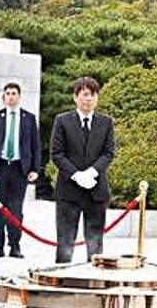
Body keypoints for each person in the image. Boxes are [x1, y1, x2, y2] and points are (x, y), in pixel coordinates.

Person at [50, 76, 117, 263]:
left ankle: (94, 278)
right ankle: (62, 278)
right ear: (75, 97)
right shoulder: (62, 121)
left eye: (93, 95)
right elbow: (57, 154)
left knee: (95, 241)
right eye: (85, 94)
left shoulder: (106, 122)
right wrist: (76, 175)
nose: (89, 99)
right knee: (65, 240)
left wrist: (92, 172)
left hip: (96, 191)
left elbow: (109, 152)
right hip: (69, 191)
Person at [0, 81, 41, 259]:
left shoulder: (29, 118)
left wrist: (35, 169)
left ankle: (15, 245)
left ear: (19, 96)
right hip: (0, 167)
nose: (10, 96)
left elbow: (35, 146)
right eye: (7, 93)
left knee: (16, 209)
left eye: (14, 93)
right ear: (3, 97)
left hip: (19, 169)